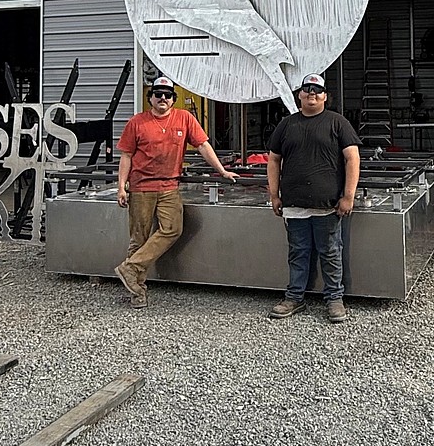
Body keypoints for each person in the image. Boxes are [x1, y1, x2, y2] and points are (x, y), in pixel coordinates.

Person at [114, 76, 237, 304]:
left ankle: (130, 267)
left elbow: (203, 145)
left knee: (173, 229)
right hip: (141, 188)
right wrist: (121, 187)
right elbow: (126, 156)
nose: (163, 98)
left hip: (169, 186)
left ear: (173, 99)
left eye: (168, 95)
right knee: (138, 238)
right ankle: (137, 292)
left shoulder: (185, 118)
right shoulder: (136, 122)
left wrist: (222, 171)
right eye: (158, 94)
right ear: (150, 97)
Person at [266, 73, 361, 323]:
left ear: (325, 96)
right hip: (294, 205)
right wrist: (274, 194)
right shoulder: (287, 125)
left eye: (317, 90)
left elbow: (352, 158)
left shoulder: (338, 123)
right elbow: (273, 160)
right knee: (298, 252)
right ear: (299, 95)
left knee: (330, 252)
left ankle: (334, 299)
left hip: (327, 205)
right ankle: (294, 297)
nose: (312, 94)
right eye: (307, 89)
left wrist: (348, 196)